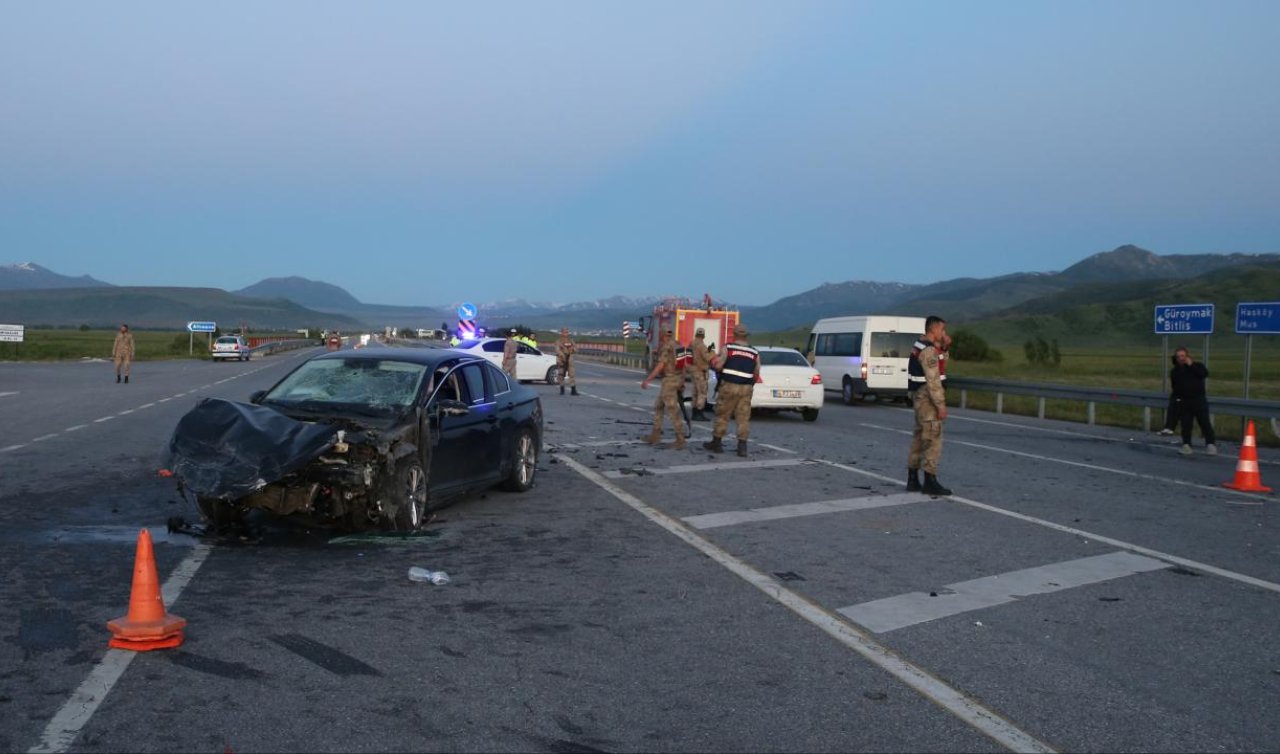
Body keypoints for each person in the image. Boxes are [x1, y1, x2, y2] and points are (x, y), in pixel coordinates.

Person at [907, 316, 951, 495]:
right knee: (933, 439)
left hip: (918, 398)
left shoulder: (920, 345)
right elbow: (934, 380)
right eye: (942, 330)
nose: (945, 334)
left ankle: (913, 479)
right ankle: (930, 480)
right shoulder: (929, 351)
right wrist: (940, 406)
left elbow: (941, 365)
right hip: (927, 400)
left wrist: (945, 347)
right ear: (934, 330)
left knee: (918, 439)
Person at [703, 324, 759, 457]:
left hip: (728, 386)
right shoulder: (754, 352)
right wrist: (749, 384)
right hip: (746, 388)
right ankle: (742, 447)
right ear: (746, 336)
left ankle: (717, 443)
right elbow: (757, 372)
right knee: (743, 417)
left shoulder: (728, 348)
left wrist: (714, 363)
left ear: (734, 334)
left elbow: (718, 366)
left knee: (722, 414)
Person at [640, 327, 686, 449]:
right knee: (658, 406)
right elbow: (685, 365)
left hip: (669, 381)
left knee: (672, 411)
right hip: (676, 379)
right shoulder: (678, 345)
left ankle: (680, 439)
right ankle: (655, 435)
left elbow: (661, 365)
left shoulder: (666, 347)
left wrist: (648, 380)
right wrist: (682, 382)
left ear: (662, 334)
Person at [1170, 346, 1217, 456]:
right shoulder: (1175, 371)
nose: (1181, 358)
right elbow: (1175, 386)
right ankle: (1187, 445)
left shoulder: (1197, 366)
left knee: (1204, 422)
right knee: (1186, 425)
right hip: (1184, 401)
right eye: (1178, 357)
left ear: (1187, 356)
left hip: (1198, 399)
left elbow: (1203, 374)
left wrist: (1191, 365)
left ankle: (1211, 445)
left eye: (1183, 356)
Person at [690, 327, 711, 421]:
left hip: (693, 370)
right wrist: (712, 352)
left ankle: (694, 412)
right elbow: (707, 358)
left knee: (695, 392)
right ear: (703, 336)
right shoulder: (702, 346)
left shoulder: (692, 344)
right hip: (701, 371)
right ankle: (699, 413)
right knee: (702, 393)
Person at [556, 327, 578, 396]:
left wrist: (573, 349)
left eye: (567, 332)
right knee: (561, 374)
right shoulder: (558, 341)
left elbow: (576, 349)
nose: (566, 333)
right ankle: (562, 389)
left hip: (570, 359)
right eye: (564, 332)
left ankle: (573, 390)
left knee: (572, 374)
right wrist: (562, 355)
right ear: (561, 333)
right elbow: (557, 350)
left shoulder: (571, 341)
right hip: (562, 360)